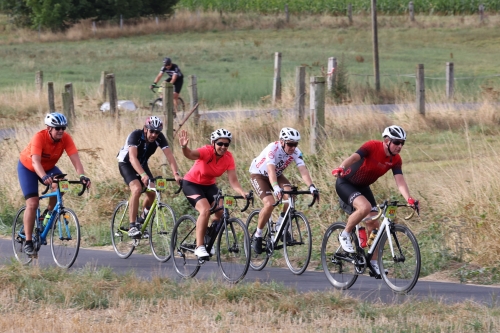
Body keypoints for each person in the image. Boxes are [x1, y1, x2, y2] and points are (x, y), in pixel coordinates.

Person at [331, 125, 418, 276]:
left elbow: (400, 181)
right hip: (346, 183)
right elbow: (354, 157)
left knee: (374, 224)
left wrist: (409, 199)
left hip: (363, 187)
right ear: (386, 140)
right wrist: (341, 167)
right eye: (397, 142)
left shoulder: (396, 159)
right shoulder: (372, 146)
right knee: (364, 207)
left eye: (402, 143)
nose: (400, 146)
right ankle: (345, 234)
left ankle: (373, 263)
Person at [17, 112, 91, 257]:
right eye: (57, 128)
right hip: (29, 168)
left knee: (63, 184)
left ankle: (48, 214)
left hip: (49, 167)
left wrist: (82, 176)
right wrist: (43, 176)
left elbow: (75, 159)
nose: (61, 131)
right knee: (32, 203)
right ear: (49, 128)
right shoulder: (39, 137)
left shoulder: (66, 139)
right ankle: (28, 242)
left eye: (63, 128)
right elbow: (35, 162)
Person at [178, 128, 249, 260]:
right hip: (191, 184)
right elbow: (190, 154)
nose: (223, 147)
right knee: (205, 210)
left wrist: (242, 192)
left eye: (226, 144)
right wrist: (184, 147)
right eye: (220, 144)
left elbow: (233, 181)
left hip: (209, 186)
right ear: (213, 143)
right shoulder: (206, 151)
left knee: (221, 211)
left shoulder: (228, 157)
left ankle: (207, 236)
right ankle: (199, 247)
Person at [248, 127, 319, 254]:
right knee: (269, 203)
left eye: (295, 144)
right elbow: (270, 170)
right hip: (259, 175)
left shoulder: (296, 152)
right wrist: (275, 187)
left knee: (290, 194)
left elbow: (303, 170)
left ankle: (280, 225)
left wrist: (311, 186)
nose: (293, 147)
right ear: (282, 142)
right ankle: (258, 235)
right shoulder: (272, 149)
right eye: (290, 144)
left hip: (277, 174)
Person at [117, 116, 182, 238]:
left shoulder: (160, 138)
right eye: (152, 131)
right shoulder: (135, 135)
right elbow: (132, 158)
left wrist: (176, 174)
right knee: (136, 189)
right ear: (146, 129)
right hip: (126, 163)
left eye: (157, 132)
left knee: (153, 192)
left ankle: (141, 220)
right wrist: (142, 175)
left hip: (142, 164)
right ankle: (132, 226)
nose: (154, 135)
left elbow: (170, 157)